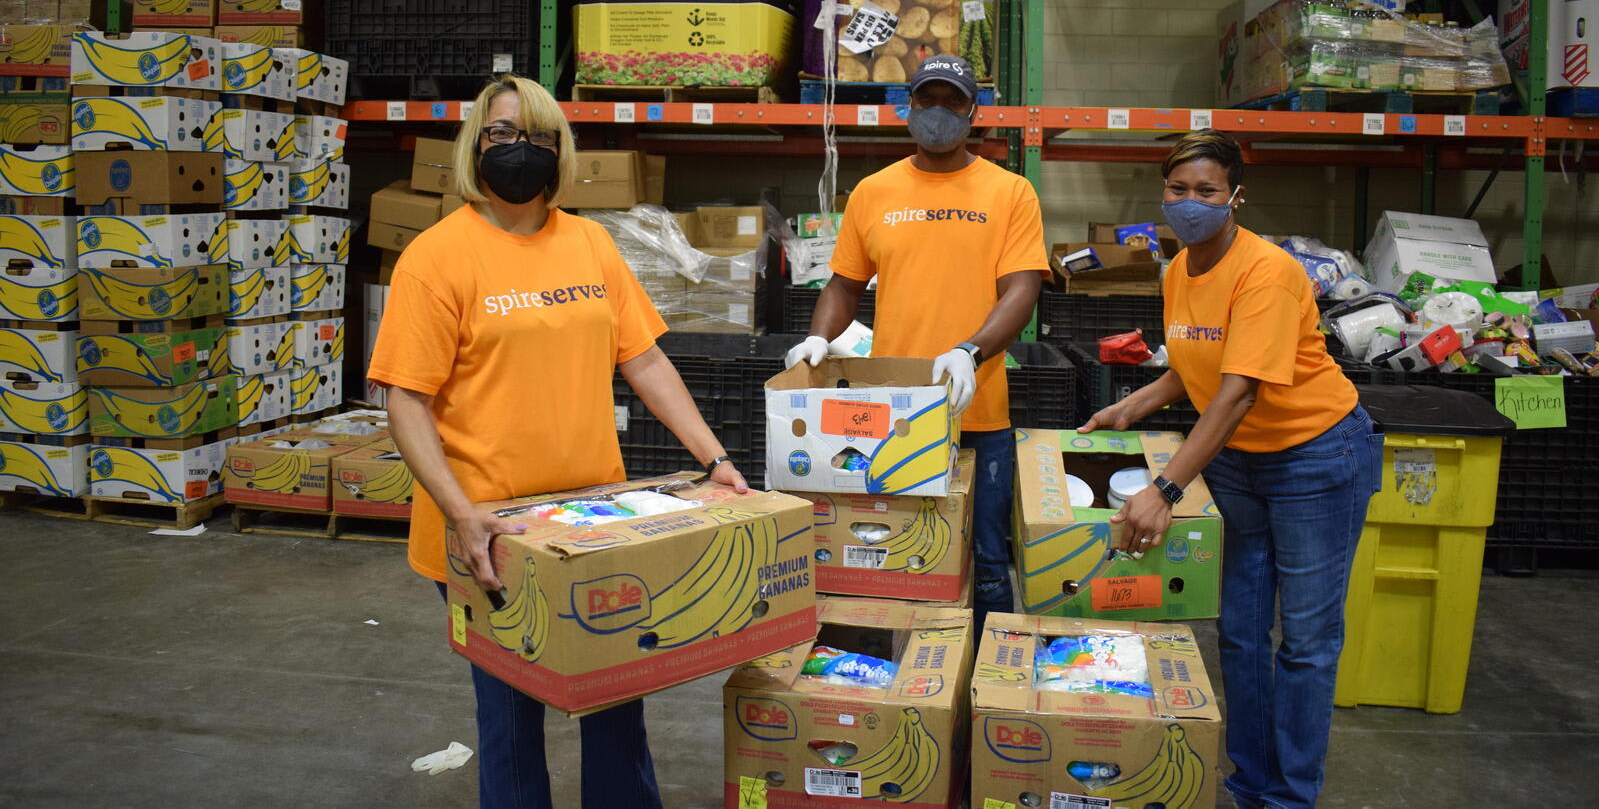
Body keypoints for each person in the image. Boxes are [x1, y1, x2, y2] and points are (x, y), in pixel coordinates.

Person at [367, 75, 748, 809]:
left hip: (589, 518)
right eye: (503, 135)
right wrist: (460, 513)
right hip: (491, 527)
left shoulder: (590, 243)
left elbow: (643, 359)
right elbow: (406, 401)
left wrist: (716, 459)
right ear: (475, 145)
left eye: (539, 137)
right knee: (511, 714)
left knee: (614, 697)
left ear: (561, 151)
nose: (521, 150)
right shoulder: (439, 257)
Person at [1078, 129, 1381, 809]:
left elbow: (1239, 389)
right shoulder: (1177, 267)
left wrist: (1164, 488)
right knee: (1241, 632)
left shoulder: (1266, 272)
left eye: (1205, 191)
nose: (1190, 204)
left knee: (1303, 641)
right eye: (1177, 191)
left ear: (1235, 196)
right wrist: (1132, 404)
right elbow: (1195, 366)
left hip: (1315, 455)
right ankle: (1248, 786)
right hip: (1240, 462)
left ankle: (1288, 797)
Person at [785, 54, 1048, 629]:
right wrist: (817, 338)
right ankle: (910, 688)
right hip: (893, 411)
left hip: (975, 411)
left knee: (987, 563)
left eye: (952, 101)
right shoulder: (874, 192)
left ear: (974, 112)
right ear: (907, 106)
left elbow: (1023, 290)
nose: (938, 113)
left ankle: (981, 692)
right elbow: (844, 284)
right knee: (894, 553)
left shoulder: (1010, 192)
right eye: (926, 99)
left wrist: (969, 351)